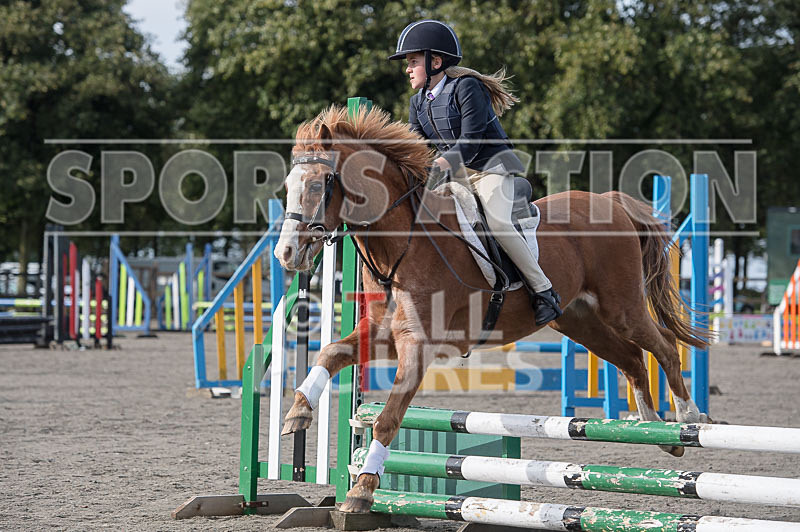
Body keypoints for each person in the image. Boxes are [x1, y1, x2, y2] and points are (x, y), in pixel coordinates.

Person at [389, 19, 562, 326]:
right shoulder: (418, 103)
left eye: (413, 61)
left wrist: (437, 167)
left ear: (435, 61)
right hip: (457, 175)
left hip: (491, 169)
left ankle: (544, 290)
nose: (407, 68)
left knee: (496, 221)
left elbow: (470, 143)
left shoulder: (467, 88)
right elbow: (418, 148)